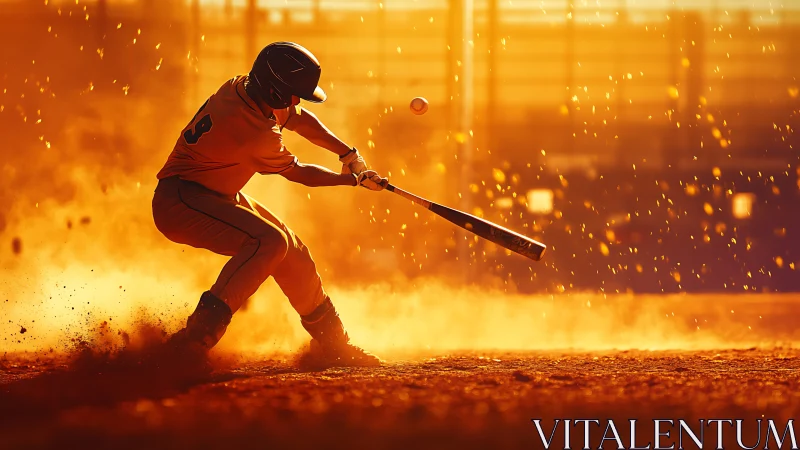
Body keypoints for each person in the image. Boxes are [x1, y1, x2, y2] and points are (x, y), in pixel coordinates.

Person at [151, 42, 386, 367]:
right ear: (274, 90)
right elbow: (301, 173)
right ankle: (192, 342)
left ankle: (334, 345)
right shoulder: (250, 130)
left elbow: (299, 120)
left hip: (215, 194)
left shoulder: (244, 88)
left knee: (291, 251)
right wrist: (353, 180)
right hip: (180, 203)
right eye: (293, 94)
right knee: (269, 241)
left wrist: (349, 155)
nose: (296, 101)